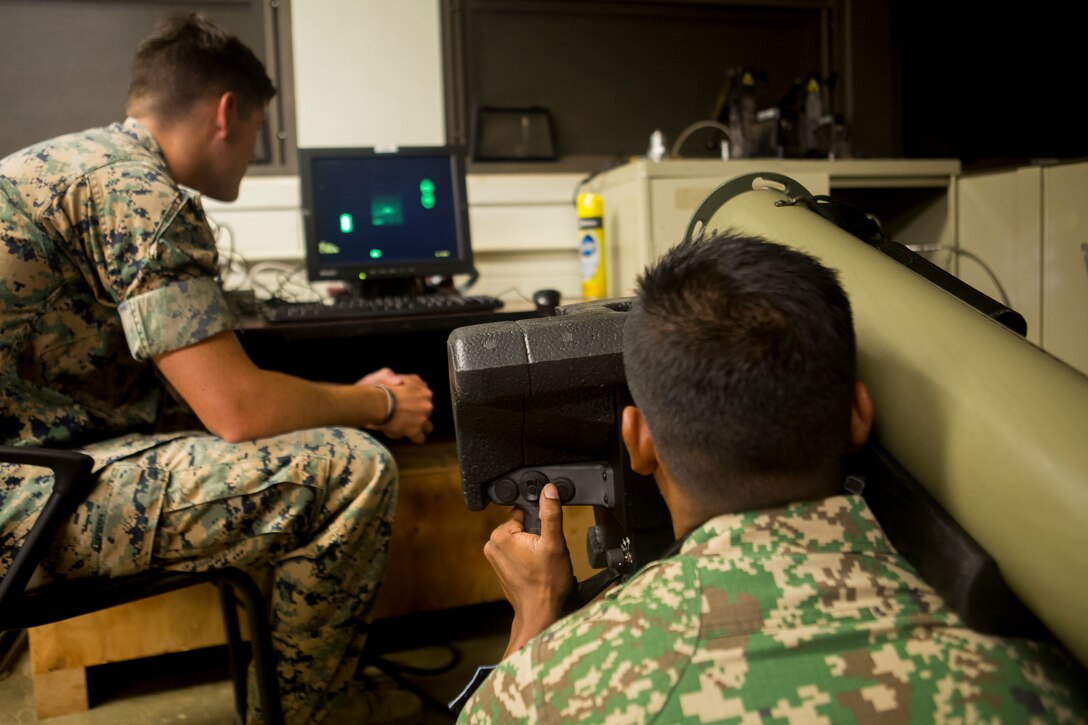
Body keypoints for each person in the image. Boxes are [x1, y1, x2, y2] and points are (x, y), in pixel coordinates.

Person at [459, 233, 1086, 722]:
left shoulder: (553, 689)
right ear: (859, 416)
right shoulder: (1035, 683)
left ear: (639, 442)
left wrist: (535, 615)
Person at [0, 14, 432, 724]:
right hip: (24, 495)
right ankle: (305, 715)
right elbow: (237, 410)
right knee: (349, 468)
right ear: (227, 112)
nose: (256, 153)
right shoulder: (138, 191)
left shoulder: (75, 163)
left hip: (28, 457)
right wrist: (379, 404)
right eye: (260, 131)